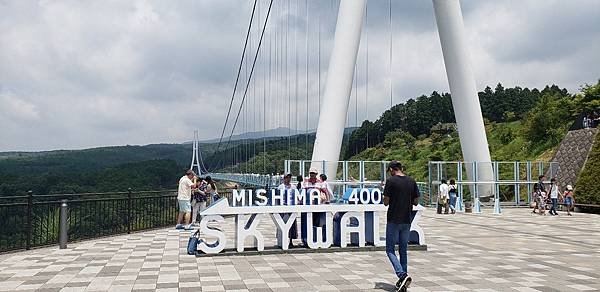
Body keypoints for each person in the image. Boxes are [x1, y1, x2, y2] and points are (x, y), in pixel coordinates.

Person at [383, 161, 419, 292]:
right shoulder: (411, 181)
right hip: (407, 219)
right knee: (403, 250)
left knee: (390, 250)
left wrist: (391, 199)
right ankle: (403, 282)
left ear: (392, 169)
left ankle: (401, 274)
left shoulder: (391, 181)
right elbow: (416, 201)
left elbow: (385, 202)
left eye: (390, 170)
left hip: (393, 219)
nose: (390, 173)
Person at [278, 173, 298, 248]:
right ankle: (282, 240)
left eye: (289, 177)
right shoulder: (280, 187)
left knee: (292, 226)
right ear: (284, 178)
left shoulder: (293, 187)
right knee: (282, 224)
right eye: (287, 177)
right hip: (283, 208)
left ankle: (291, 241)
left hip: (291, 208)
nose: (288, 179)